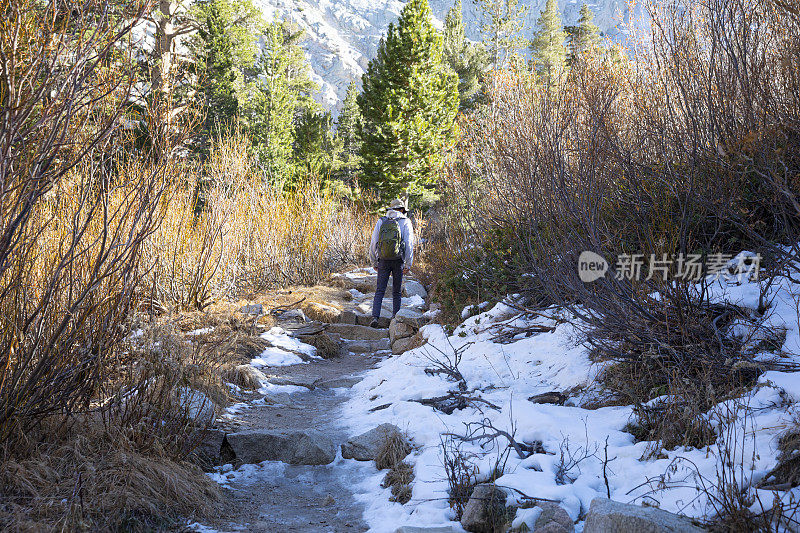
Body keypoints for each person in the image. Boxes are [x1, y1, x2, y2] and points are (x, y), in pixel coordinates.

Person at [368, 198, 415, 328]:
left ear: (391, 209)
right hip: (398, 260)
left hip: (383, 259)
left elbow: (373, 243)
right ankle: (395, 318)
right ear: (401, 210)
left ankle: (375, 317)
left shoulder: (381, 221)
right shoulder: (405, 222)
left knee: (380, 290)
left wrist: (374, 261)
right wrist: (408, 264)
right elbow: (409, 244)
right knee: (396, 292)